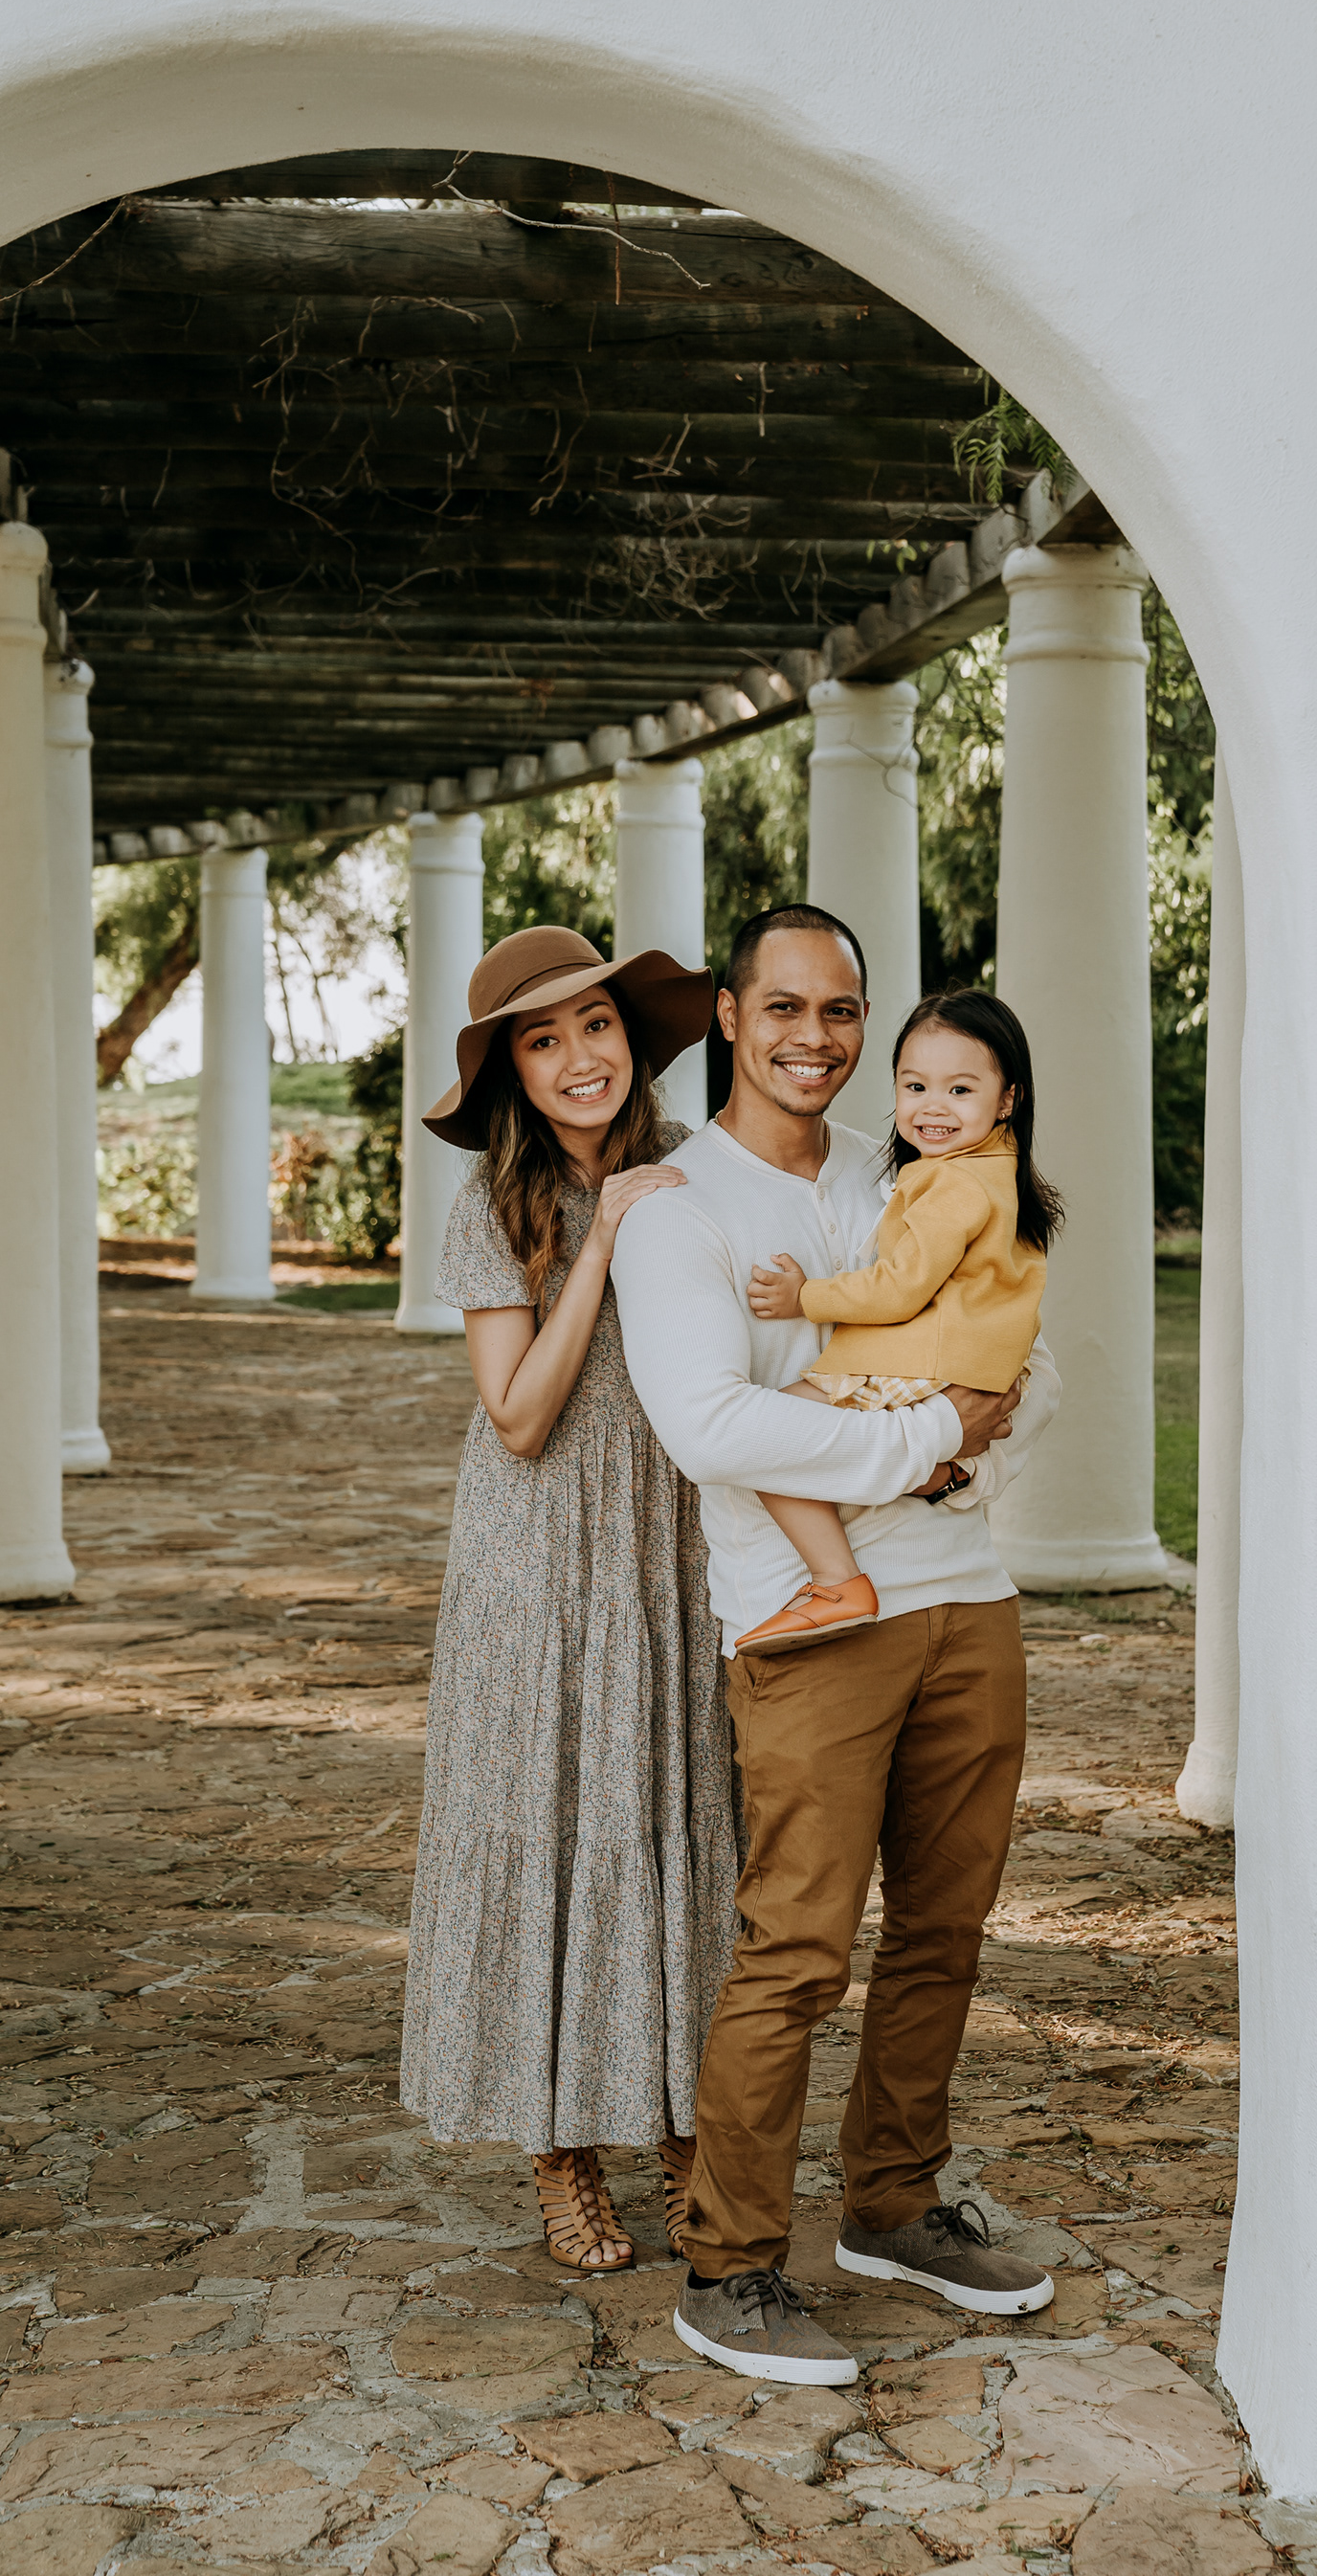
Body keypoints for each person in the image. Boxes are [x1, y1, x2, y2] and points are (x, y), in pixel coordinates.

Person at [613, 903, 1062, 2386]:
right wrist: (929, 1443)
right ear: (731, 1017)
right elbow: (712, 1427)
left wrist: (957, 1461)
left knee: (946, 1929)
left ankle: (894, 2206)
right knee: (797, 1950)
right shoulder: (679, 1209)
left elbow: (1028, 1366)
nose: (817, 1037)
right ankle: (729, 2263)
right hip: (808, 1623)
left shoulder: (915, 1165)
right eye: (787, 1007)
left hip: (968, 1598)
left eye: (843, 1010)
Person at [400, 925, 740, 2275]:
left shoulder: (697, 1169)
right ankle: (560, 2150)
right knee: (549, 1829)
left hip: (671, 1543)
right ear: (514, 1077)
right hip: (537, 1557)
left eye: (594, 1026)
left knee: (673, 1817)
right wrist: (602, 1235)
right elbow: (520, 1415)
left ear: (631, 1039)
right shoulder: (494, 1208)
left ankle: (683, 2130)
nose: (578, 1057)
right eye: (542, 1042)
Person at [738, 989, 1061, 1653]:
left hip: (920, 1361)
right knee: (807, 1442)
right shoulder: (995, 1174)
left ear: (1008, 1100)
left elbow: (899, 1289)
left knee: (765, 1442)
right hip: (963, 1364)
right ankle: (935, 1477)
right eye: (915, 1086)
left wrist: (806, 1297)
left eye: (960, 1089)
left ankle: (836, 1581)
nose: (932, 1106)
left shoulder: (953, 1185)